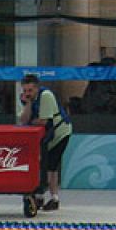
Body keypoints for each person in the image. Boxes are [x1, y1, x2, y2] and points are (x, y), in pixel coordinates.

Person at [18, 73, 72, 212]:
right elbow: (23, 119)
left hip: (60, 133)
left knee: (50, 166)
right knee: (45, 166)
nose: (27, 93)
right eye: (25, 90)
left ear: (37, 88)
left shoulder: (46, 96)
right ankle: (45, 197)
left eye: (30, 90)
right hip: (46, 137)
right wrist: (28, 104)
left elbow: (43, 121)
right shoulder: (27, 99)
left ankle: (51, 198)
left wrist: (30, 121)